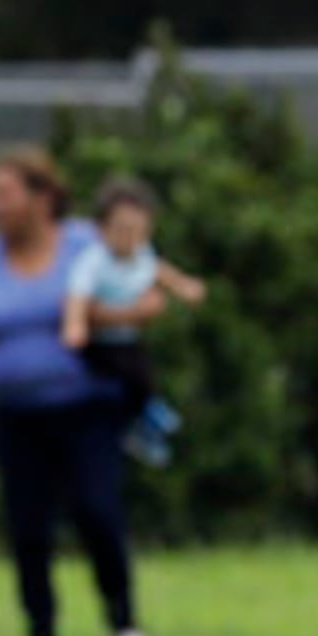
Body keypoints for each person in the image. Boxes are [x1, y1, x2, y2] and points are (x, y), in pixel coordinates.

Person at [0, 148, 146, 636]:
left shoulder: (85, 244)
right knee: (27, 522)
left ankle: (124, 623)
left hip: (87, 406)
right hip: (15, 414)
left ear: (43, 198)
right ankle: (40, 631)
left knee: (97, 509)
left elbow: (137, 288)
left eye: (5, 194)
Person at [60, 176, 203, 470]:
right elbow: (76, 296)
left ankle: (145, 421)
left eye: (138, 230)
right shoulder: (94, 261)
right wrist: (74, 326)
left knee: (141, 374)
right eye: (123, 229)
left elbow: (160, 271)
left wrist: (184, 286)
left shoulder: (141, 254)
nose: (130, 237)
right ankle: (141, 421)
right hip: (98, 345)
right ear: (102, 229)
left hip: (127, 340)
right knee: (127, 377)